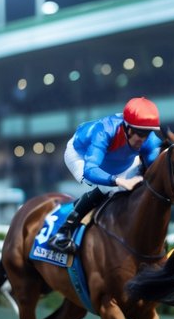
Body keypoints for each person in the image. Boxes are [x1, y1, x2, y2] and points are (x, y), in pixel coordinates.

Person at [47, 96, 162, 254]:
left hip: (121, 162)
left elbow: (153, 175)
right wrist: (117, 180)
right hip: (82, 156)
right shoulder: (105, 130)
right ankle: (63, 232)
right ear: (127, 127)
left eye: (147, 133)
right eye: (138, 132)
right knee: (108, 189)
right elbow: (90, 169)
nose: (141, 139)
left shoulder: (151, 141)